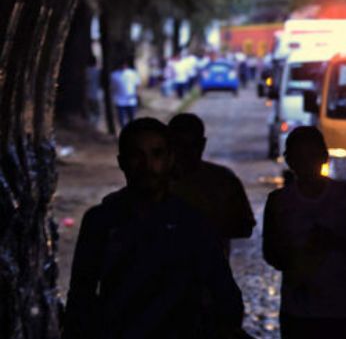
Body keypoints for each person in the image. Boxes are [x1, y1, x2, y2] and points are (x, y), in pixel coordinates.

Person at [63, 118, 244, 339]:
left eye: (156, 154)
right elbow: (81, 295)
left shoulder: (192, 223)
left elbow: (225, 295)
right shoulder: (101, 221)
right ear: (122, 162)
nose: (147, 165)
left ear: (170, 159)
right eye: (137, 155)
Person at [263, 126, 346, 339]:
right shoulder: (279, 202)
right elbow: (271, 253)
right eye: (300, 158)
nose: (306, 164)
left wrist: (332, 242)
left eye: (310, 156)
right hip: (306, 308)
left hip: (339, 307)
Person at [168, 113, 255, 257]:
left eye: (190, 146)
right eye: (179, 145)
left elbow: (245, 226)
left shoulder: (224, 180)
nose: (184, 152)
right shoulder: (223, 179)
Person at [109, 58, 141, 128]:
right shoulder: (114, 75)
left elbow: (137, 85)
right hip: (119, 101)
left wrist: (137, 95)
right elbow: (112, 87)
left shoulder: (133, 73)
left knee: (132, 119)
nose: (123, 66)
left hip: (131, 101)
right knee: (121, 120)